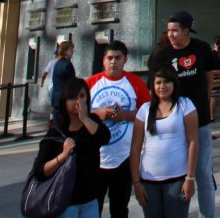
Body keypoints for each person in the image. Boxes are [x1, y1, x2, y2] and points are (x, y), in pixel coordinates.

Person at [148, 10, 216, 218]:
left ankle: (207, 214)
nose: (171, 34)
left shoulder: (202, 49)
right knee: (175, 176)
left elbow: (209, 80)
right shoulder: (162, 56)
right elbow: (155, 89)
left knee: (203, 173)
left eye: (175, 30)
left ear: (187, 31)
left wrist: (204, 104)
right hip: (173, 124)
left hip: (200, 122)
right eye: (169, 30)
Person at [88, 40, 150, 218]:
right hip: (95, 157)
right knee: (93, 207)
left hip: (124, 157)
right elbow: (78, 114)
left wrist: (127, 115)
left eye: (117, 58)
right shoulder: (91, 83)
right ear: (103, 60)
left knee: (120, 207)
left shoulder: (135, 83)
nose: (113, 62)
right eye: (109, 58)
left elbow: (148, 113)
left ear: (125, 60)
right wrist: (99, 113)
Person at [34, 76, 108, 218]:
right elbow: (40, 170)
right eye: (73, 97)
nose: (78, 102)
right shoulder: (57, 132)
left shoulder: (92, 122)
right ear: (65, 101)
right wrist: (62, 156)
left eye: (82, 96)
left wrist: (85, 118)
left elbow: (104, 137)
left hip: (90, 199)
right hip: (65, 202)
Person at [131, 66, 200, 218]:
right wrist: (136, 183)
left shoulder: (185, 105)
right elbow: (135, 148)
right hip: (148, 182)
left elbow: (193, 142)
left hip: (177, 181)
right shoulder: (145, 109)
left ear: (174, 83)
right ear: (153, 85)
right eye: (158, 83)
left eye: (167, 82)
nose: (162, 86)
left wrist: (190, 178)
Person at [44, 40, 78, 114]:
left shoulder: (57, 64)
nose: (72, 52)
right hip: (65, 100)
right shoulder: (67, 65)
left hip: (56, 99)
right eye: (71, 50)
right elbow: (71, 83)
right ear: (65, 51)